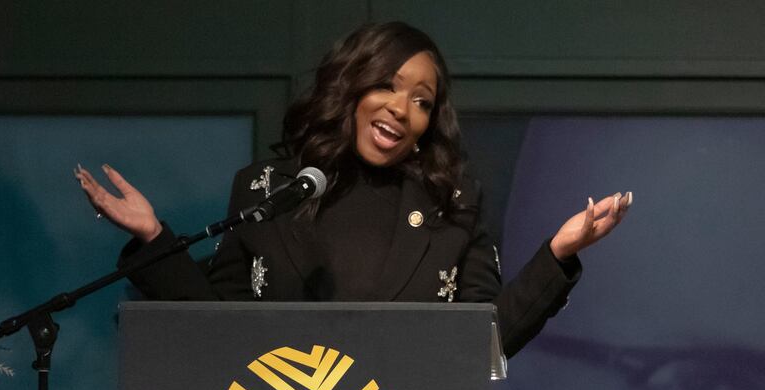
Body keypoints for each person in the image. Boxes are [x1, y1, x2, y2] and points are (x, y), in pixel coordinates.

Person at [74, 22, 631, 357]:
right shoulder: (267, 189)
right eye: (388, 85)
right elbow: (220, 327)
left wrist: (557, 254)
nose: (401, 108)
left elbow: (483, 344)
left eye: (421, 100)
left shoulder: (453, 203)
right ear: (350, 87)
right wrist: (153, 238)